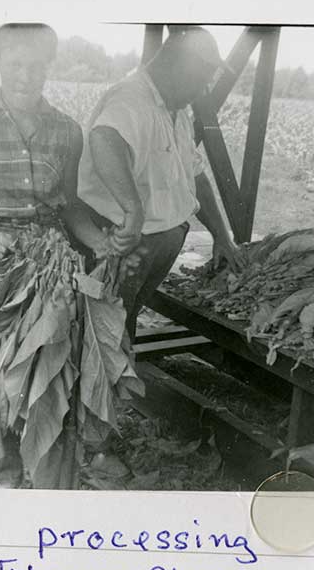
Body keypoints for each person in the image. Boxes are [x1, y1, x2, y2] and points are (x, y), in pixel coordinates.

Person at [0, 23, 108, 488]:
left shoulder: (67, 130)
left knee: (49, 371)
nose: (25, 74)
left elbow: (71, 206)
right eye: (15, 63)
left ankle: (50, 479)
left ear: (48, 67)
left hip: (51, 268)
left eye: (36, 64)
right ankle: (4, 475)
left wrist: (96, 241)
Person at [78, 26, 242, 340]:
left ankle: (116, 377)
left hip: (157, 242)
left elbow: (194, 174)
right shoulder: (132, 97)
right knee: (105, 327)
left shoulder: (173, 108)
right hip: (125, 244)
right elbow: (104, 138)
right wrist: (132, 209)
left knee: (122, 321)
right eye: (199, 80)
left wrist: (221, 235)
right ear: (176, 67)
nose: (201, 91)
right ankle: (106, 385)